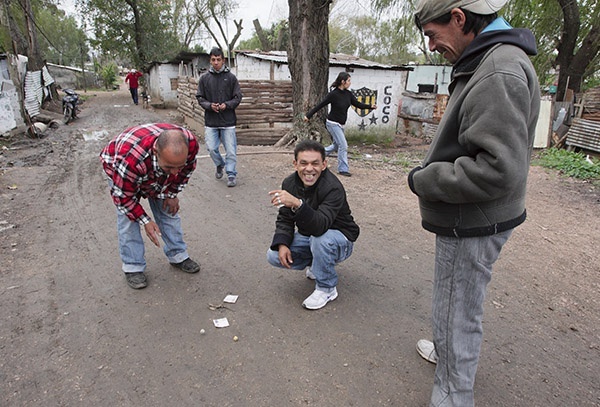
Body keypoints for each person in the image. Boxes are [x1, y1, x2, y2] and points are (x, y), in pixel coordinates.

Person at [408, 0, 541, 405]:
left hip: (472, 219)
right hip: (478, 214)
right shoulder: (490, 58)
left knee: (456, 312)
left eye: (432, 34)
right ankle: (450, 356)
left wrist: (425, 179)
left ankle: (452, 392)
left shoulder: (498, 69)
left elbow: (498, 169)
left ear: (460, 19)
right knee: (458, 305)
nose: (431, 46)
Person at [100, 123, 201, 289]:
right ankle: (133, 267)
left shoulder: (189, 144)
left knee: (169, 211)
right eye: (170, 166)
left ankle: (178, 255)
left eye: (179, 166)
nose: (175, 172)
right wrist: (145, 220)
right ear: (156, 152)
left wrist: (171, 194)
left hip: (151, 167)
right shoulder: (129, 160)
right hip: (122, 171)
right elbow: (124, 199)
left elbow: (186, 170)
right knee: (128, 221)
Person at [266, 140, 360, 310]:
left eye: (315, 163)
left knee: (321, 240)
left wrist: (298, 203)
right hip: (312, 236)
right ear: (295, 164)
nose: (309, 169)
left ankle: (327, 287)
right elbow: (285, 219)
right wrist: (282, 243)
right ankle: (318, 264)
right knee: (273, 255)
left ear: (324, 165)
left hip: (339, 237)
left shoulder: (333, 187)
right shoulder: (289, 184)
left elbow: (320, 225)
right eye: (304, 163)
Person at [304, 72, 377, 177]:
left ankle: (317, 155)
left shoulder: (348, 94)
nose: (350, 83)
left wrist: (370, 106)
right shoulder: (333, 94)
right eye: (348, 81)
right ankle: (343, 169)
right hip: (332, 123)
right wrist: (308, 115)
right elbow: (320, 105)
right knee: (343, 145)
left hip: (341, 124)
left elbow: (357, 104)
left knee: (336, 145)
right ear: (343, 82)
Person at [196, 47, 243, 187]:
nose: (216, 62)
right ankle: (219, 164)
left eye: (218, 60)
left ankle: (231, 174)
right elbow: (199, 97)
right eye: (213, 60)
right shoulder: (204, 78)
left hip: (228, 121)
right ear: (210, 61)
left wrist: (226, 105)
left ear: (223, 60)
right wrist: (210, 105)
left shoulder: (231, 78)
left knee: (231, 150)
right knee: (211, 148)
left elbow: (238, 97)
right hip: (211, 121)